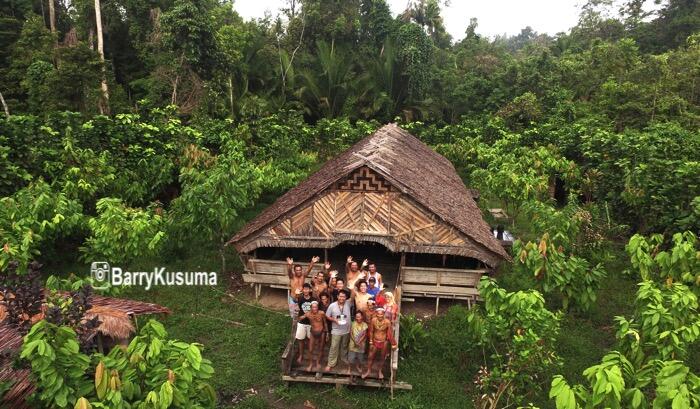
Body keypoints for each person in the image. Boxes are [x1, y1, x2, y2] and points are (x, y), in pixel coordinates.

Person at [362, 308, 397, 380]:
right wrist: (371, 341)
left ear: (384, 314)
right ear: (376, 314)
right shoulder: (373, 320)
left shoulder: (387, 322)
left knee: (382, 357)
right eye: (378, 315)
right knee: (370, 356)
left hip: (384, 342)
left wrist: (393, 343)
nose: (380, 316)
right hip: (375, 341)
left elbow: (389, 333)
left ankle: (379, 371)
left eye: (381, 315)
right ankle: (368, 370)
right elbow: (371, 331)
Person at [324, 290, 352, 372]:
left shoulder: (348, 303)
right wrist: (334, 320)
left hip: (346, 330)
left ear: (346, 297)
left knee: (344, 346)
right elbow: (327, 316)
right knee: (334, 347)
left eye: (343, 296)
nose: (342, 298)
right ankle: (330, 363)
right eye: (340, 296)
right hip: (336, 330)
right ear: (337, 297)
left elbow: (353, 295)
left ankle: (343, 358)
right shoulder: (332, 305)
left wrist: (353, 284)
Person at [300, 301, 327, 372]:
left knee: (320, 348)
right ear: (311, 308)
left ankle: (317, 362)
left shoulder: (321, 313)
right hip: (313, 332)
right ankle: (311, 364)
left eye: (316, 307)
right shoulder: (308, 314)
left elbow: (325, 322)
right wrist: (298, 315)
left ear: (318, 307)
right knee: (310, 349)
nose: (315, 308)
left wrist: (327, 333)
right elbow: (300, 317)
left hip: (322, 332)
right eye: (313, 307)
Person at [295, 283, 317, 365]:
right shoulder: (300, 298)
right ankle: (301, 355)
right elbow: (296, 302)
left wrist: (305, 315)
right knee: (300, 340)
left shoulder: (313, 300)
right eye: (304, 289)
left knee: (309, 340)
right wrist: (296, 294)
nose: (306, 290)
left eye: (307, 289)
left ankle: (308, 355)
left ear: (310, 290)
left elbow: (315, 310)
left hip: (311, 323)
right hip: (301, 323)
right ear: (302, 290)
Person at [347, 311, 368, 382]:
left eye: (359, 316)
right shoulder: (353, 323)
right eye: (356, 316)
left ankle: (358, 366)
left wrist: (359, 342)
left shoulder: (364, 325)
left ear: (362, 317)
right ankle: (349, 368)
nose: (358, 318)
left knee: (360, 358)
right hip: (352, 344)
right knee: (351, 358)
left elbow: (365, 334)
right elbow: (351, 333)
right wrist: (355, 341)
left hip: (361, 344)